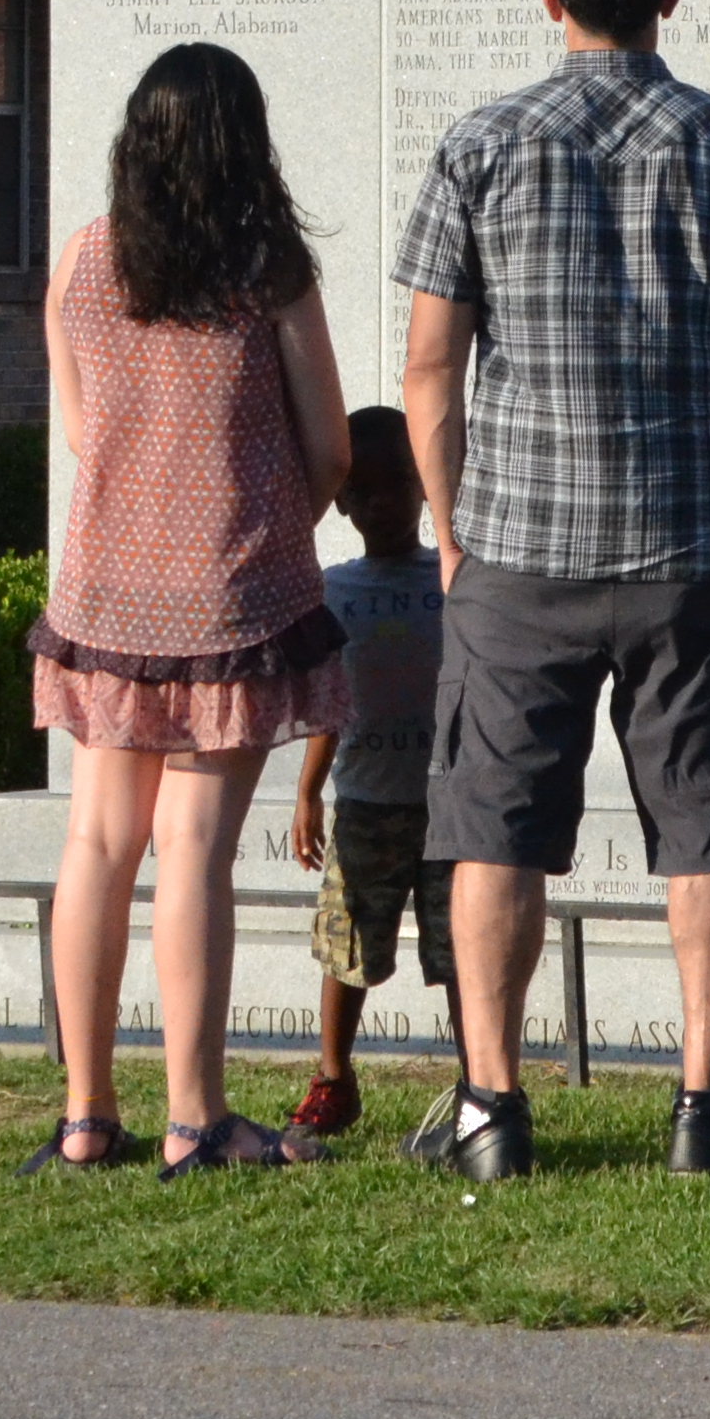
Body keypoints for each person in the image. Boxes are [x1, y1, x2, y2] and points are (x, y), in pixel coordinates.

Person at [394, 0, 710, 1182]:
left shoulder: (479, 145)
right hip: (692, 547)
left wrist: (452, 526)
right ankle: (707, 1104)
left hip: (516, 549)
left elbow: (428, 367)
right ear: (668, 5)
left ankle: (490, 1109)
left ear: (549, 2)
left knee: (496, 829)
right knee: (708, 824)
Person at [25, 41, 353, 1181]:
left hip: (107, 589)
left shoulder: (82, 259)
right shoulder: (270, 270)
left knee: (97, 841)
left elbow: (77, 429)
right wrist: (266, 515)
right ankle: (196, 1117)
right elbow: (331, 447)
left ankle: (83, 1115)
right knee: (194, 854)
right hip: (231, 590)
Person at [282, 407, 446, 1140]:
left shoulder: (453, 579)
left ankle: (481, 1078)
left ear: (425, 486)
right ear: (342, 501)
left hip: (450, 806)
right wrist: (307, 792)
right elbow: (328, 704)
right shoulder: (333, 590)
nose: (383, 501)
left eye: (399, 483)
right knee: (347, 944)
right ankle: (333, 1077)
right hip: (369, 802)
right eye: (366, 488)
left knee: (462, 950)